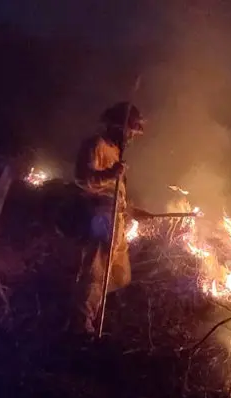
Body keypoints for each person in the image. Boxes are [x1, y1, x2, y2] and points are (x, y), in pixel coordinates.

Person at [70, 101, 152, 335]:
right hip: (99, 216)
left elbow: (118, 193)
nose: (132, 138)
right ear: (117, 127)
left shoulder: (117, 152)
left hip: (116, 219)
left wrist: (134, 211)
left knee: (119, 275)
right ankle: (82, 325)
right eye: (130, 131)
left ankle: (98, 311)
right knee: (95, 272)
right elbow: (83, 179)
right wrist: (110, 174)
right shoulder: (96, 145)